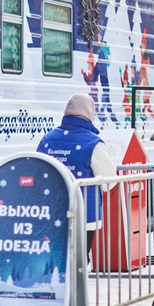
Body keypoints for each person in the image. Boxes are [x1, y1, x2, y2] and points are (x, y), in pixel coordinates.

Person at [37, 92, 117, 263]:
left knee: (56, 260)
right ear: (90, 113)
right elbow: (109, 180)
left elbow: (38, 173)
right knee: (80, 260)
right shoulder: (93, 143)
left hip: (51, 211)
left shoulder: (47, 140)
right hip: (84, 213)